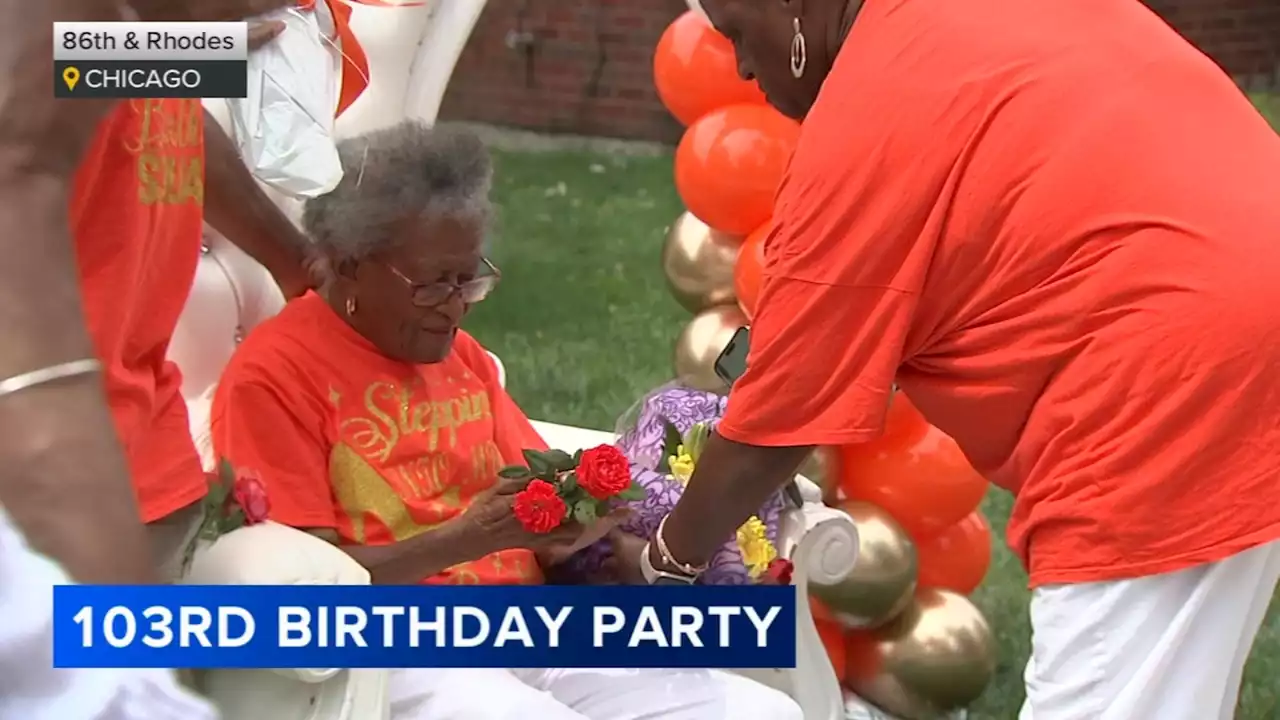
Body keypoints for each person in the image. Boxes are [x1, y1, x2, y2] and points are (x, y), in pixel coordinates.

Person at [631, 1, 1280, 719]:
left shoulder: (866, 115)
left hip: (1167, 373)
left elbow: (775, 422)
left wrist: (667, 560)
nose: (744, 67)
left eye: (734, 34)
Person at [210, 121, 804, 720]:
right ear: (349, 265)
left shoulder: (459, 354)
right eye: (433, 284)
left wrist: (602, 527)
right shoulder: (274, 376)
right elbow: (303, 599)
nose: (457, 304)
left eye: (468, 277)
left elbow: (542, 497)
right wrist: (469, 538)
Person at [0, 0, 289, 715]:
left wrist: (298, 259)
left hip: (148, 462)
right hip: (37, 486)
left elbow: (166, 106)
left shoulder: (130, 40)